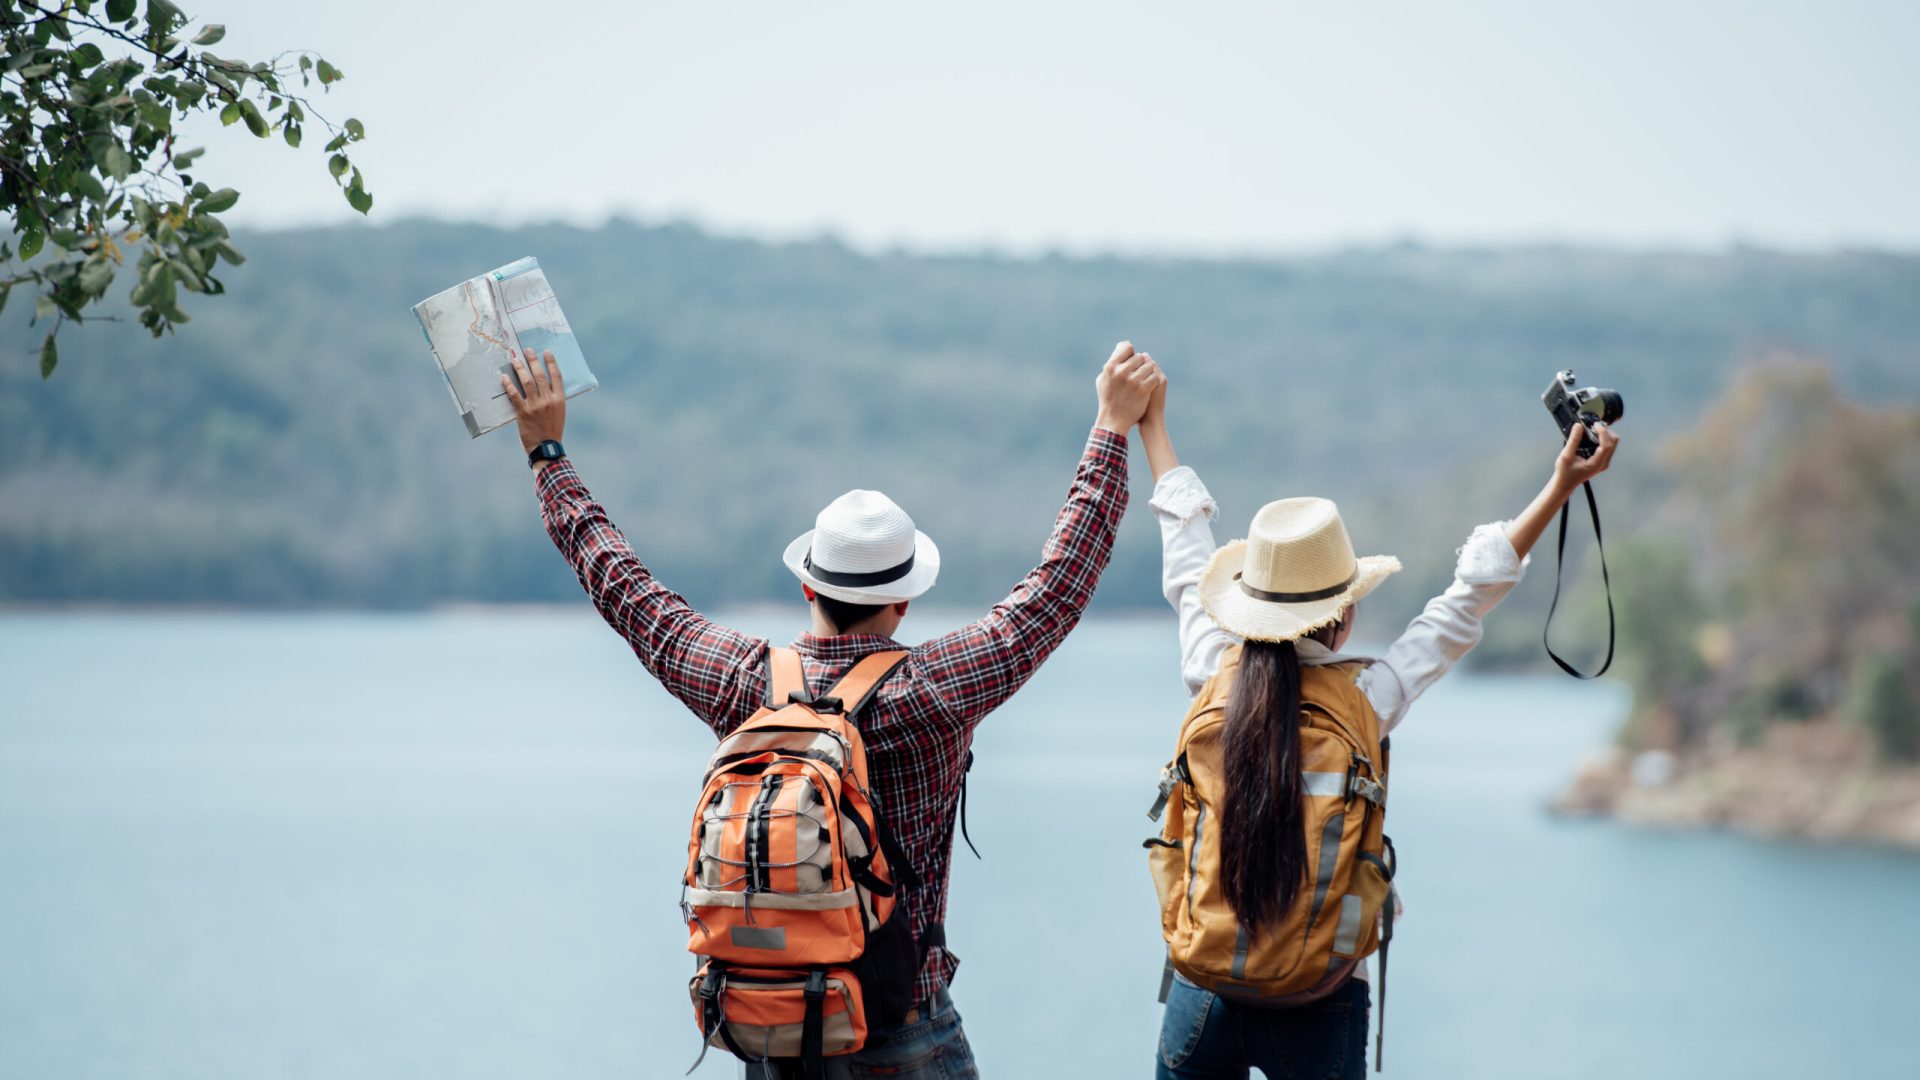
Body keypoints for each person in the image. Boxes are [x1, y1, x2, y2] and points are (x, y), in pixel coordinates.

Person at [500, 341, 1163, 1078]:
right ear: (905, 599)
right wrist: (1111, 428)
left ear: (809, 587)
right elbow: (1057, 589)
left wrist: (547, 451)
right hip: (902, 1024)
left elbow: (624, 586)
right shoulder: (932, 691)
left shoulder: (743, 683)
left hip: (777, 1026)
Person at [1136, 373, 1619, 1080]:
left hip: (1203, 991)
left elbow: (1185, 553)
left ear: (1247, 605)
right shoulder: (1367, 696)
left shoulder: (1211, 670)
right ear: (1344, 613)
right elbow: (1464, 605)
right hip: (1319, 998)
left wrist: (1152, 426)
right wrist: (1560, 487)